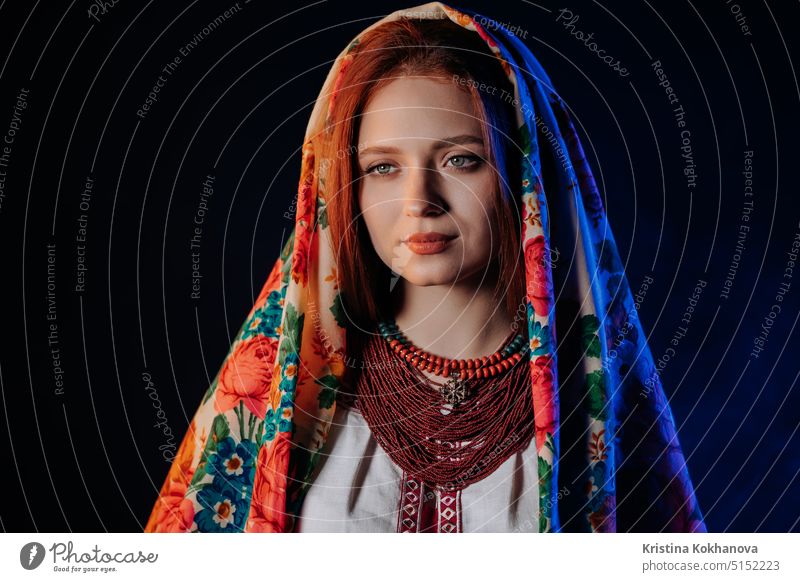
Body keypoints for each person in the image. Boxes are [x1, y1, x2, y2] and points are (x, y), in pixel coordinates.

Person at [144, 2, 706, 534]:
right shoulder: (283, 396)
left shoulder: (596, 409)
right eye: (383, 167)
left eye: (460, 159)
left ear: (530, 178)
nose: (420, 199)